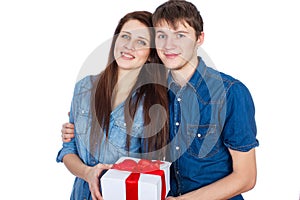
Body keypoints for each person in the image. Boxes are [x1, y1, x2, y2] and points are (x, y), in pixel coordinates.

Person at [61, 0, 259, 199]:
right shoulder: (155, 93)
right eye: (162, 36)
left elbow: (246, 177)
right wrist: (77, 129)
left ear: (199, 39)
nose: (169, 45)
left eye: (180, 35)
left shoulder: (230, 93)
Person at [56, 11, 169, 200]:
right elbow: (68, 150)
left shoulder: (154, 103)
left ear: (151, 55)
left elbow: (152, 169)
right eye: (125, 36)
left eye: (141, 42)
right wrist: (87, 173)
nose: (129, 46)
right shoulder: (84, 87)